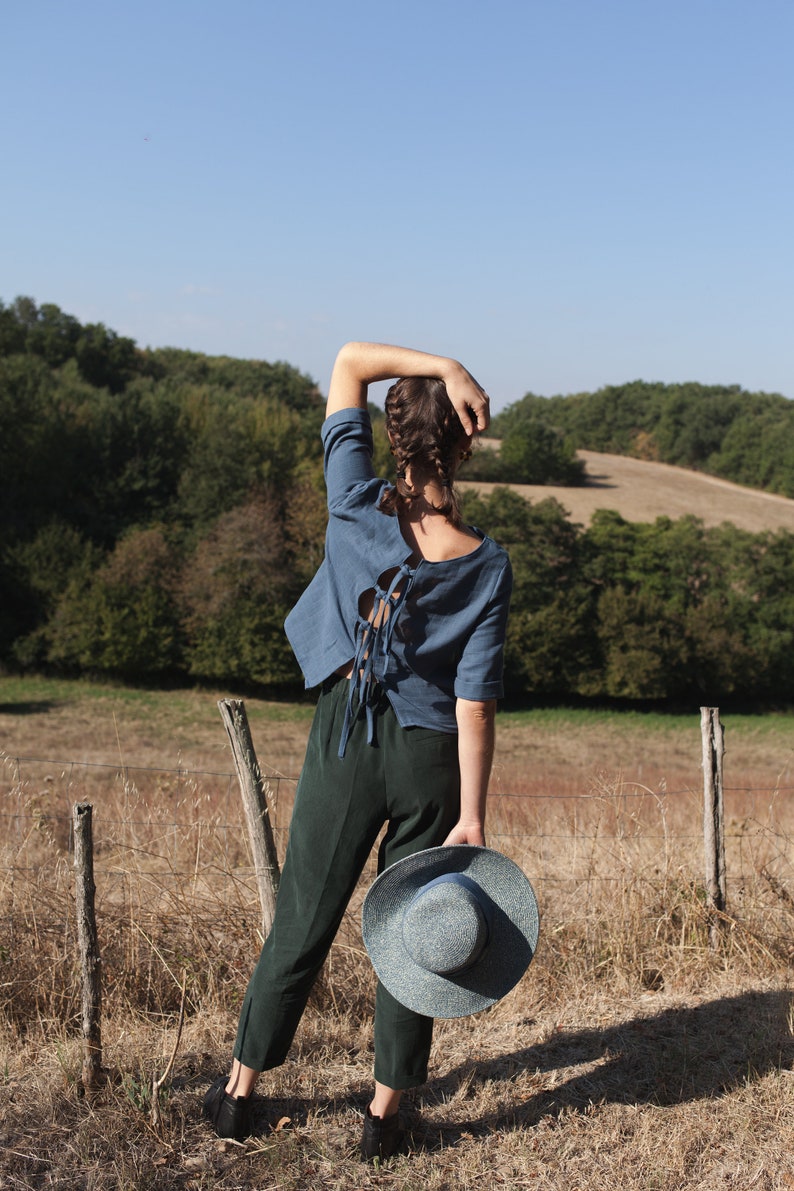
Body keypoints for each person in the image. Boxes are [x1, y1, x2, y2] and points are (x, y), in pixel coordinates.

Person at [203, 341, 513, 1161]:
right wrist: (473, 815)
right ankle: (383, 1116)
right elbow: (474, 704)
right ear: (466, 442)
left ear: (392, 436)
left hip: (349, 733)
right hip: (433, 757)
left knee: (303, 912)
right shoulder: (487, 566)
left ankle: (238, 1095)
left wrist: (444, 363)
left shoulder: (353, 501)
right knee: (416, 931)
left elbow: (346, 359)